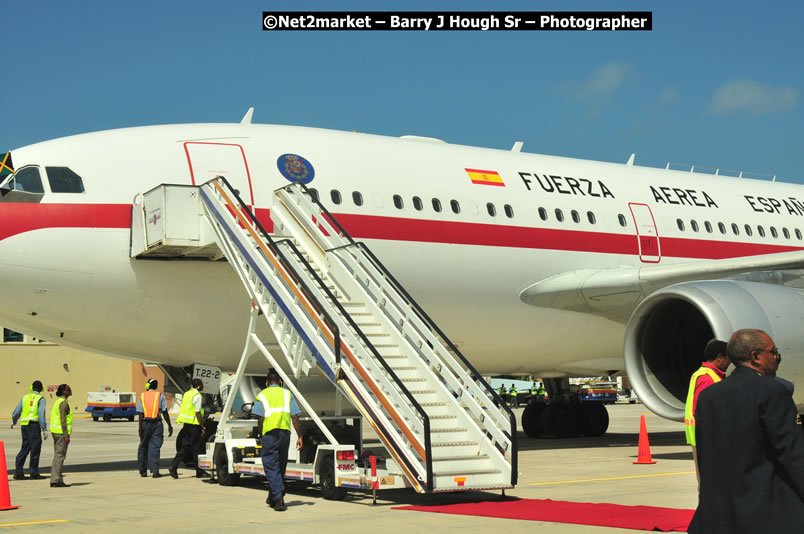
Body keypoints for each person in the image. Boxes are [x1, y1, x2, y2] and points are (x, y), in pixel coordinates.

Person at [688, 329, 804, 533]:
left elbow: (707, 455)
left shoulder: (709, 396)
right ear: (756, 357)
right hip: (763, 511)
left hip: (718, 514)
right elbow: (792, 454)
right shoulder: (772, 391)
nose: (776, 357)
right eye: (773, 351)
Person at [252, 369, 303, 512]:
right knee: (280, 466)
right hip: (285, 434)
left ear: (267, 382)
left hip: (270, 435)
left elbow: (260, 418)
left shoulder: (263, 395)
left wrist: (261, 434)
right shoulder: (287, 394)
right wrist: (299, 435)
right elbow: (295, 417)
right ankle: (272, 497)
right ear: (280, 381)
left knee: (270, 466)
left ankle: (279, 499)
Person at [683, 338, 729, 487]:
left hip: (704, 435)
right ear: (720, 357)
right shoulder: (707, 378)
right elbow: (702, 411)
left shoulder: (708, 374)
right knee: (708, 484)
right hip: (705, 437)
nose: (729, 362)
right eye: (727, 358)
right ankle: (706, 509)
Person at [10, 380, 48, 480]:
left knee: (25, 448)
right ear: (41, 389)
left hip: (24, 426)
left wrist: (14, 421)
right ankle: (33, 473)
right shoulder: (41, 399)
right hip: (34, 426)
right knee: (35, 449)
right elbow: (41, 414)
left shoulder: (25, 397)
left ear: (31, 388)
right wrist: (44, 429)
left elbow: (17, 412)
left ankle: (18, 472)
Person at [169, 379, 206, 479]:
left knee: (185, 447)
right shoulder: (197, 396)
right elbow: (197, 412)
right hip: (194, 425)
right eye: (201, 384)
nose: (203, 386)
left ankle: (174, 466)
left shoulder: (187, 394)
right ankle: (199, 470)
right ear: (198, 386)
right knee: (196, 448)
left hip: (186, 424)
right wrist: (202, 426)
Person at [137, 378, 173, 478]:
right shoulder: (160, 396)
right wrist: (169, 425)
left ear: (147, 386)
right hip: (156, 424)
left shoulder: (142, 396)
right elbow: (165, 412)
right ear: (156, 386)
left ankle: (143, 471)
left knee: (143, 446)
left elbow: (140, 413)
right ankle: (155, 472)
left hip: (145, 423)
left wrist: (140, 428)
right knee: (155, 448)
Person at [50, 384, 72, 488]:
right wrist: (66, 435)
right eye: (68, 389)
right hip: (60, 433)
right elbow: (63, 420)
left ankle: (55, 478)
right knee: (60, 456)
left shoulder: (58, 401)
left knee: (57, 456)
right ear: (64, 391)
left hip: (55, 432)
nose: (70, 391)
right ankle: (56, 480)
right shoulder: (63, 403)